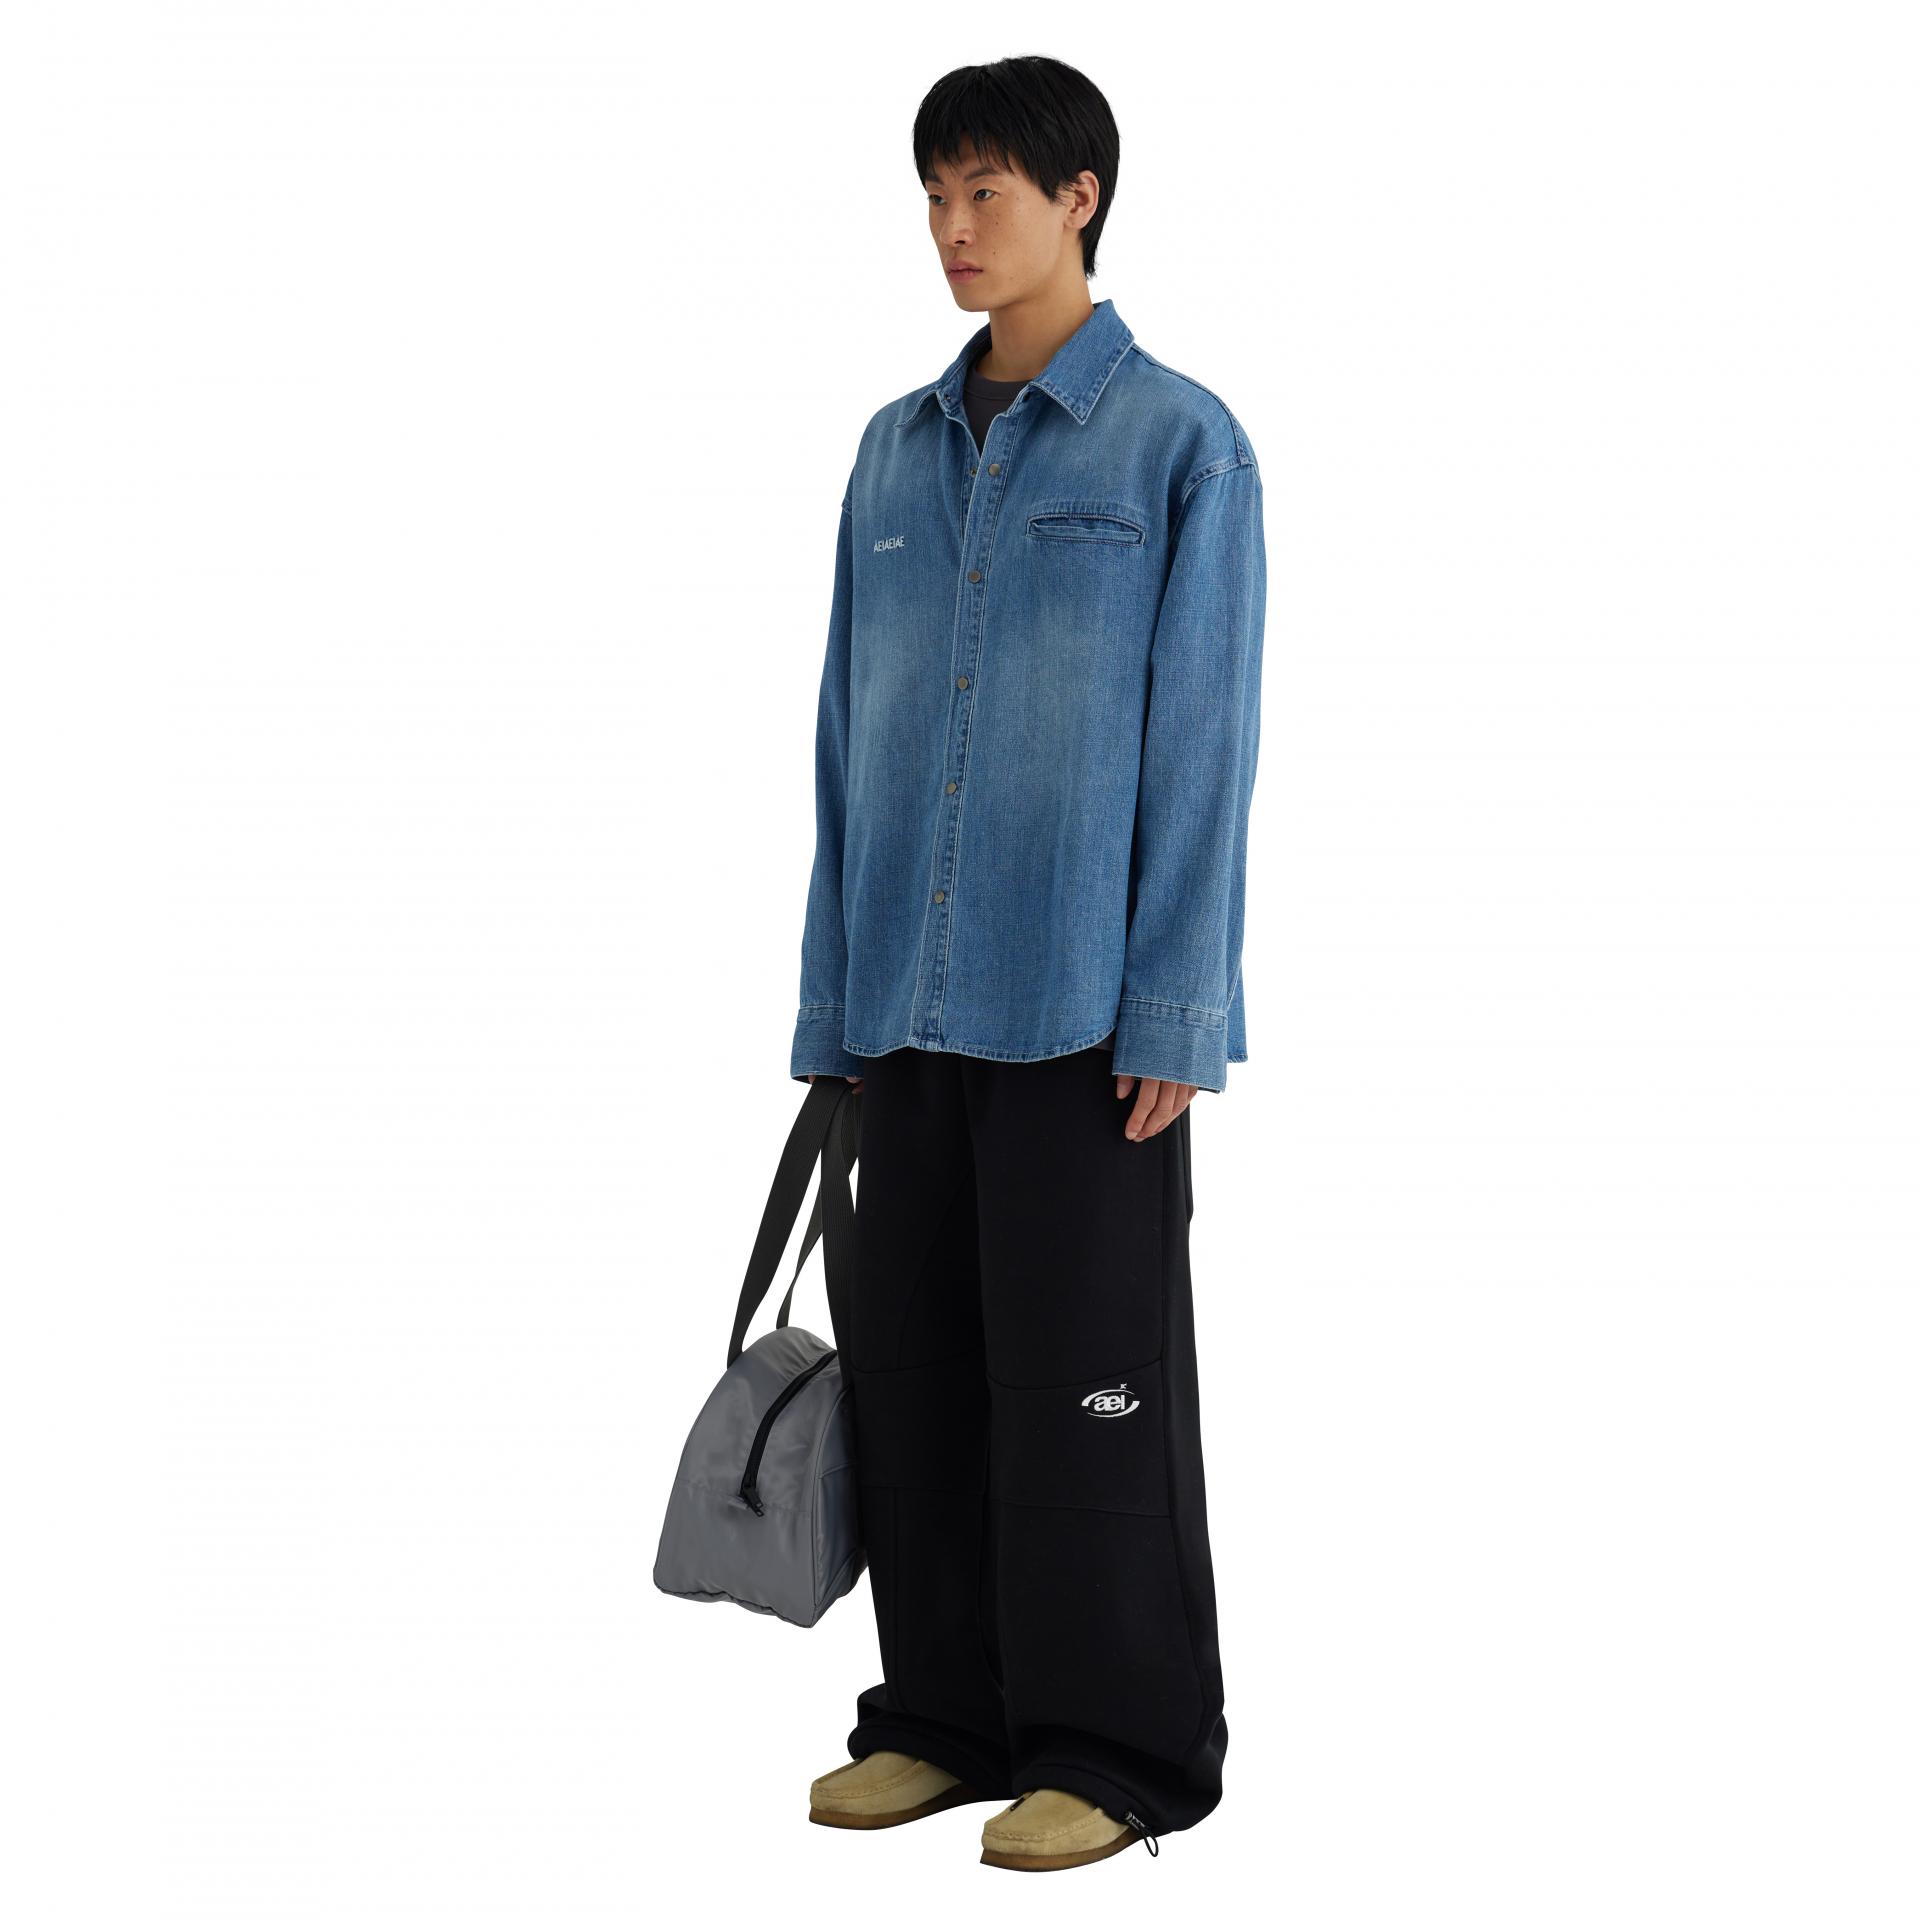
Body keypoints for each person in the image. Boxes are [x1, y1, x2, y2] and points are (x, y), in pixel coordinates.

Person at [789, 55, 1265, 1872]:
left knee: (1087, 1393)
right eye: (934, 195)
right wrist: (830, 1002)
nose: (951, 228)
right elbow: (849, 740)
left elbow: (1204, 746)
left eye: (985, 191)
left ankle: (1119, 1747)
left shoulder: (1180, 445)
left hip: (1082, 1017)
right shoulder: (889, 450)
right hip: (901, 1009)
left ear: (1081, 198)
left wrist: (1177, 1007)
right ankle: (944, 1717)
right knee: (914, 1381)